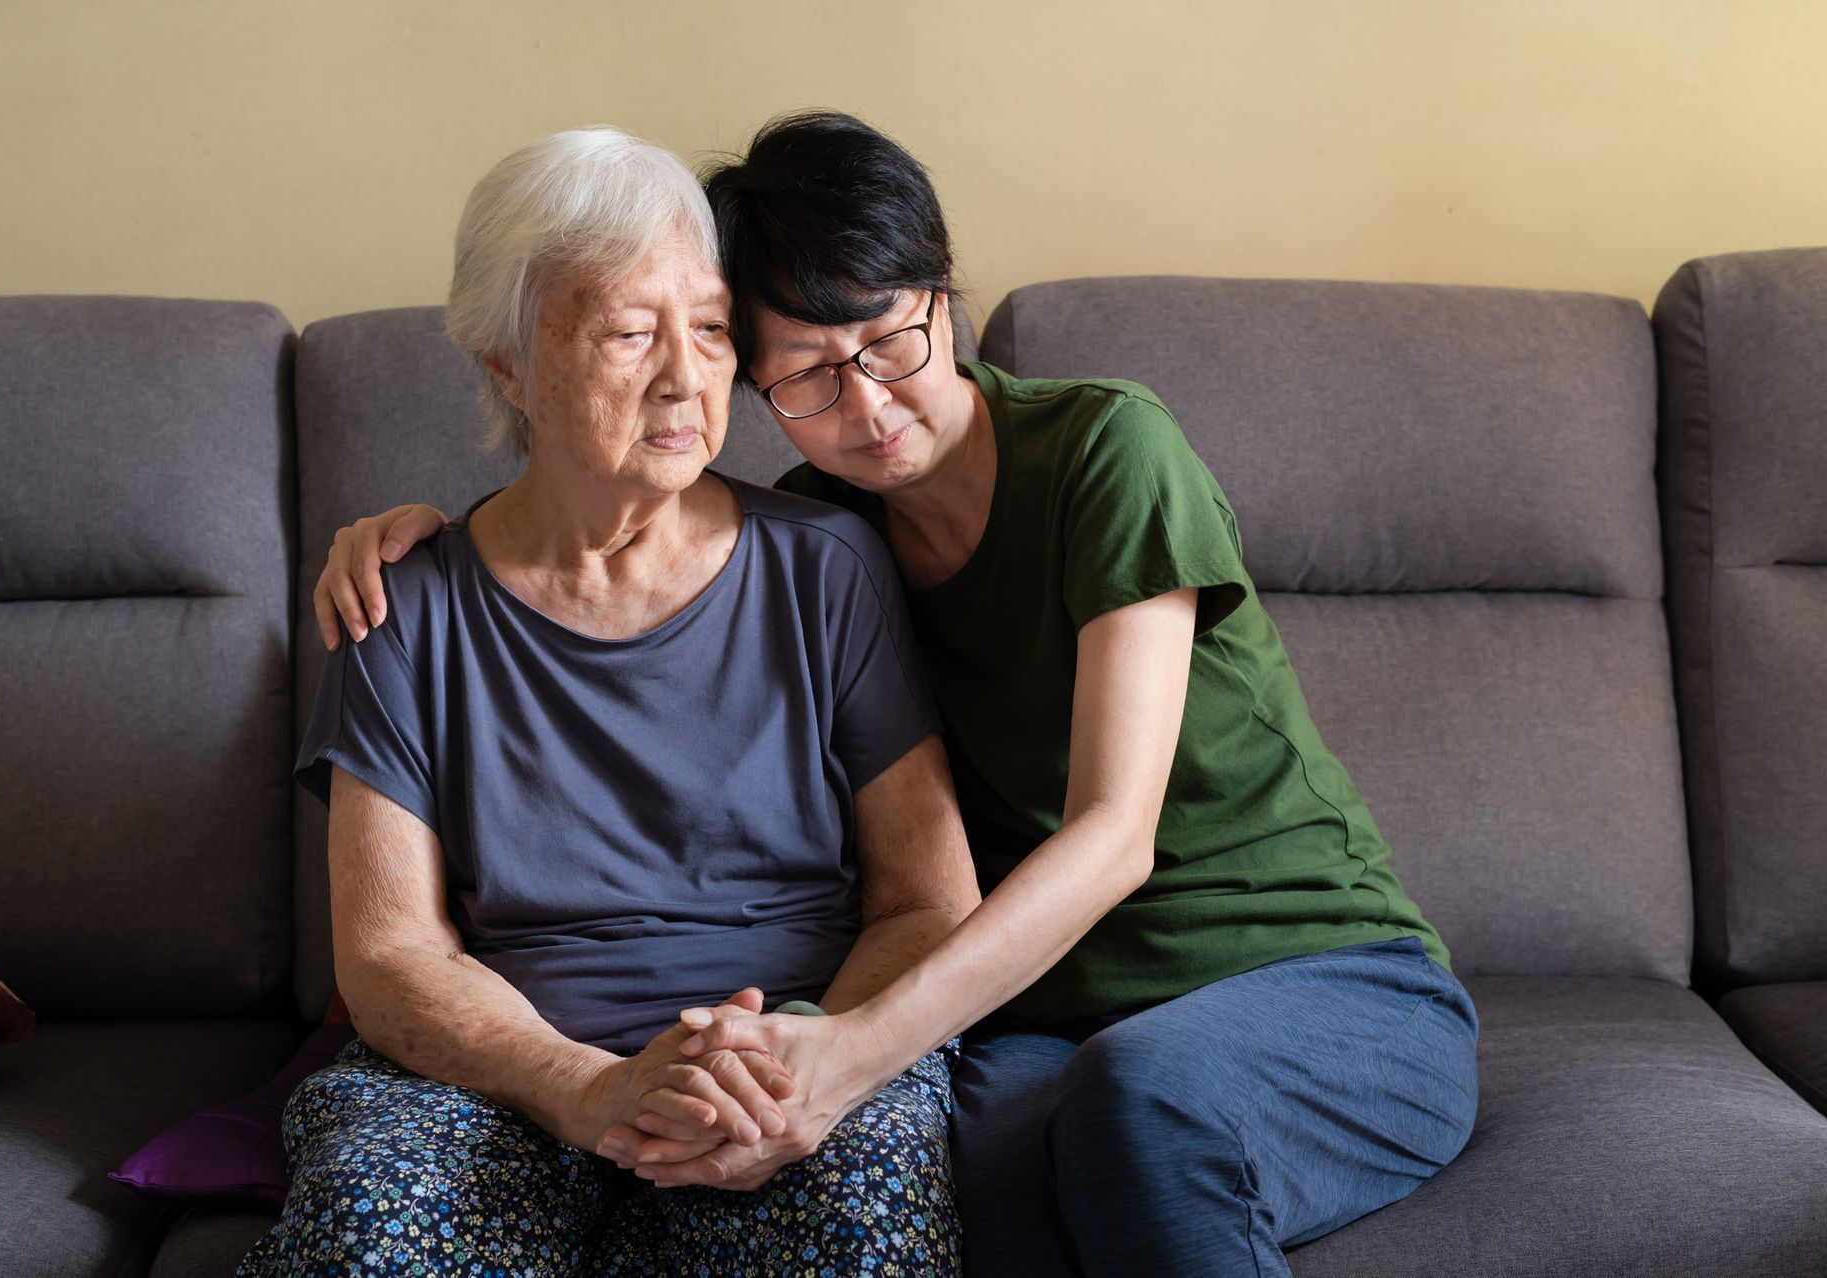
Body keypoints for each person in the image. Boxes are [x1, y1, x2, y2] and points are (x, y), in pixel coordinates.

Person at [317, 113, 1480, 1277]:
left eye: (890, 341)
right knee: (987, 1196)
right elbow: (394, 938)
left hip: (1298, 973)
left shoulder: (1091, 459)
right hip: (1044, 1013)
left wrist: (846, 1050)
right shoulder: (833, 530)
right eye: (810, 373)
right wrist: (415, 548)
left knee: (1140, 1113)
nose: (868, 408)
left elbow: (1110, 837)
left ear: (945, 303)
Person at [241, 126, 980, 1277]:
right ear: (506, 364)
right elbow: (386, 957)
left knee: (859, 1222)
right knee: (372, 1232)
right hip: (503, 1074)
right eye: (632, 332)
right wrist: (586, 1088)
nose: (687, 377)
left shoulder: (826, 567)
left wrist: (795, 1058)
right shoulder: (404, 608)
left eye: (713, 329)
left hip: (788, 1060)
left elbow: (930, 905)